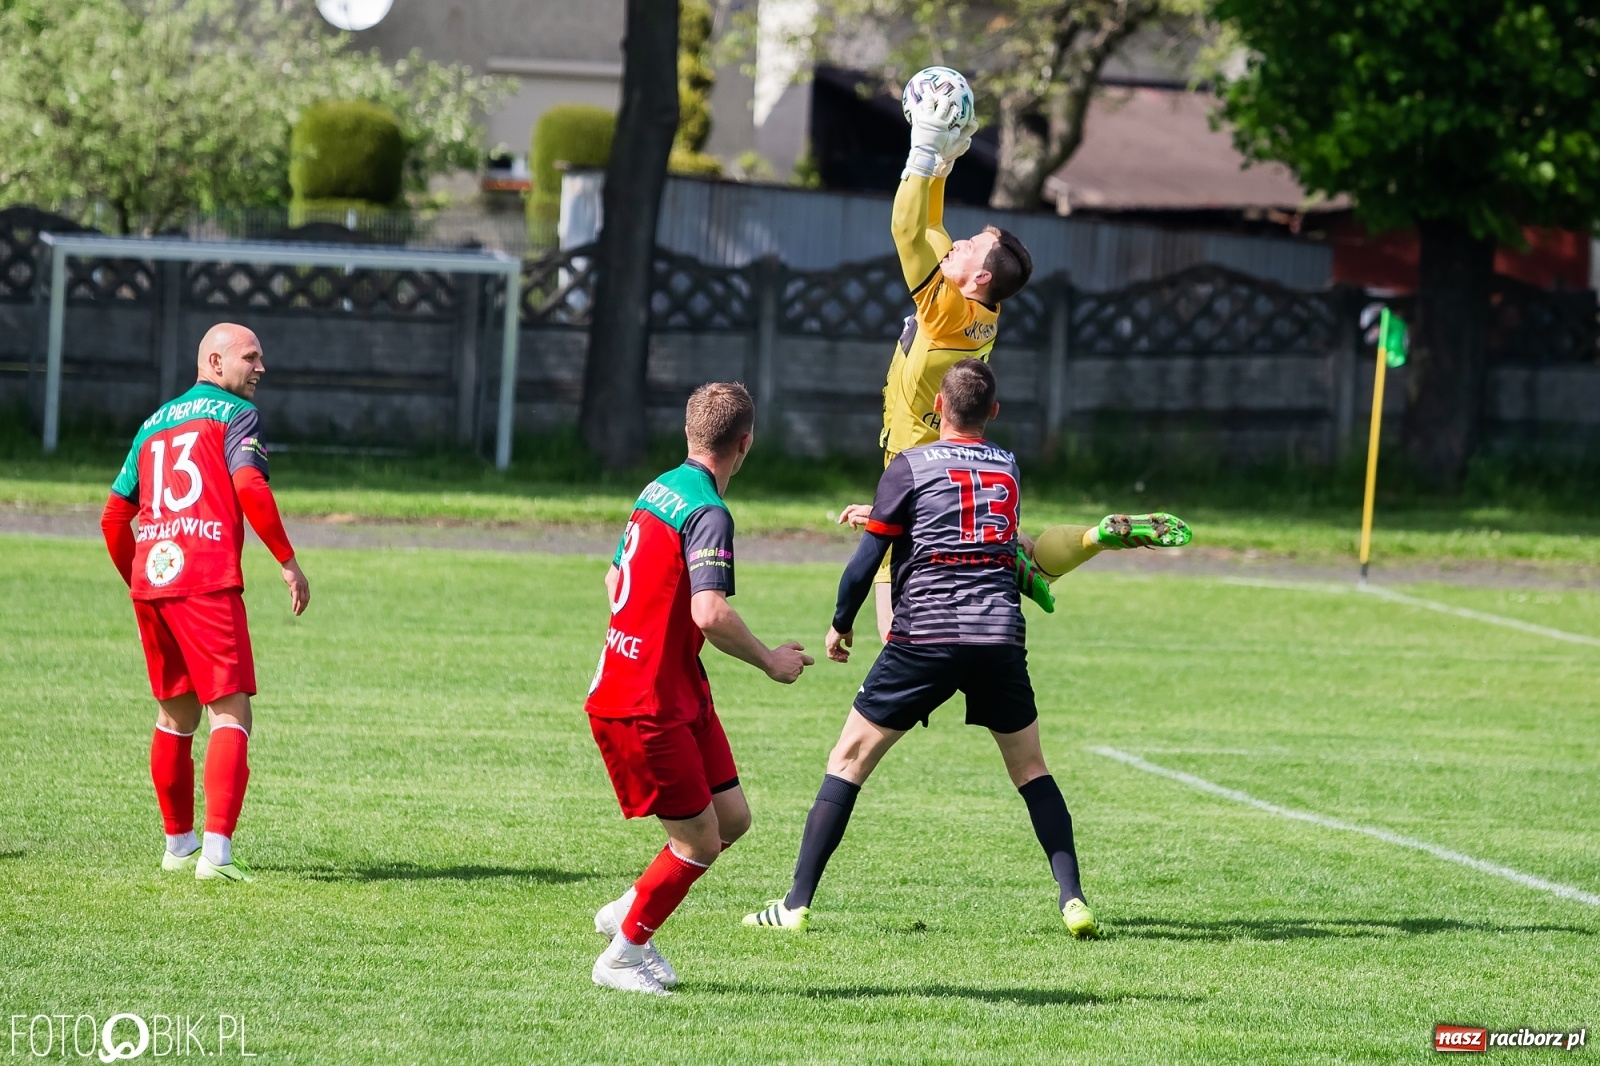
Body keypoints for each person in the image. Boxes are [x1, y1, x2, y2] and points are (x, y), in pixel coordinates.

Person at [745, 359, 1101, 939]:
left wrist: (841, 622)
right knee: (1031, 768)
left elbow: (867, 561)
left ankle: (795, 904)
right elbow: (979, 532)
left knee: (848, 762)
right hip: (997, 636)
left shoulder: (909, 465)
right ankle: (1073, 901)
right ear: (993, 413)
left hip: (926, 635)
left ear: (937, 407)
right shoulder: (1008, 467)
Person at [845, 87, 1190, 640]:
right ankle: (1092, 539)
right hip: (957, 460)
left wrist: (925, 148)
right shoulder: (981, 307)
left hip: (914, 468)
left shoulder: (947, 312)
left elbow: (908, 231)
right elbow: (932, 230)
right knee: (1013, 548)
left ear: (980, 277)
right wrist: (945, 166)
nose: (956, 243)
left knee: (893, 628)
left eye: (971, 248)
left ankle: (887, 696)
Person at [585, 382, 814, 995]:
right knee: (698, 840)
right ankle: (623, 955)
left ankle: (624, 913)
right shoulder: (709, 511)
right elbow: (709, 614)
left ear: (689, 432)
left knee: (731, 819)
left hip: (676, 685)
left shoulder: (658, 487)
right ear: (746, 443)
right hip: (646, 700)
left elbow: (614, 581)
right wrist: (770, 660)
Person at [100, 323, 309, 883]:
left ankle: (178, 845)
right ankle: (216, 854)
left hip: (155, 580)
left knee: (175, 714)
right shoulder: (233, 414)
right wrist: (287, 560)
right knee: (231, 709)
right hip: (206, 579)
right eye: (251, 357)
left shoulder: (151, 423)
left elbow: (114, 516)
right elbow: (250, 487)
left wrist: (139, 577)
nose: (261, 367)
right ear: (215, 362)